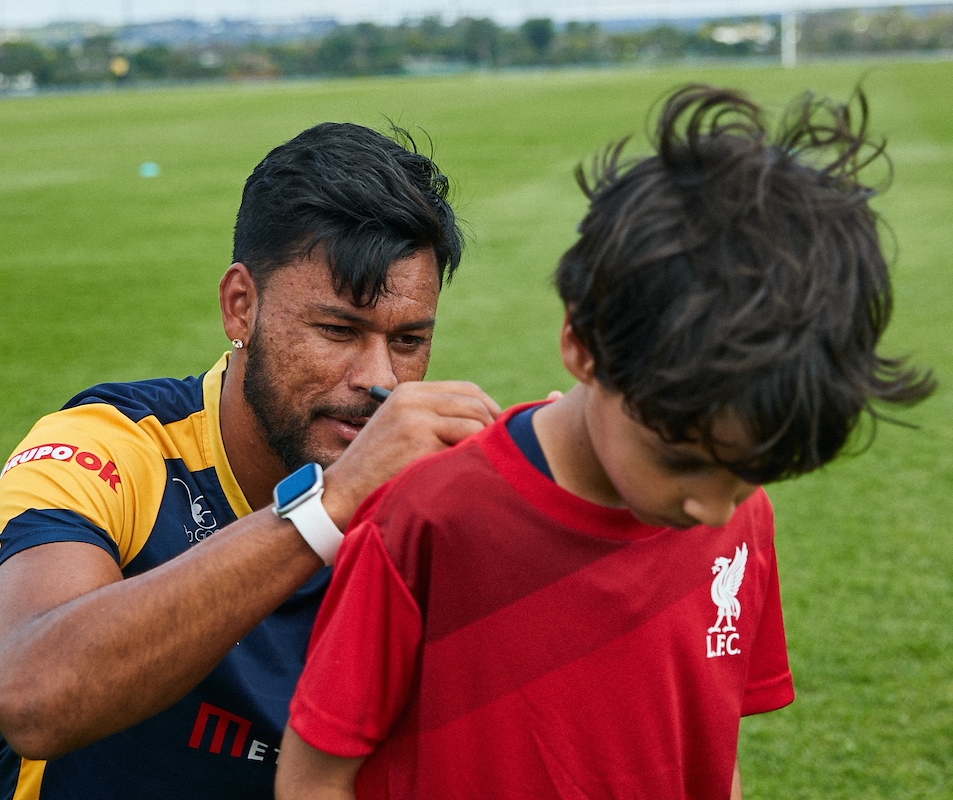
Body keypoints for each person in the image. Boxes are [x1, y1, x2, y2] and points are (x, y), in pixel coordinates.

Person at [276, 86, 936, 800]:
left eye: (749, 474)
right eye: (679, 459)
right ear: (582, 345)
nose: (715, 510)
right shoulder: (426, 516)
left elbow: (711, 751)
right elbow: (316, 776)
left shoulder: (743, 521)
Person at [0, 122, 504, 799]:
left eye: (408, 340)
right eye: (338, 330)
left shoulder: (434, 494)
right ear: (240, 305)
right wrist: (326, 504)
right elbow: (33, 695)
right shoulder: (111, 445)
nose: (380, 381)